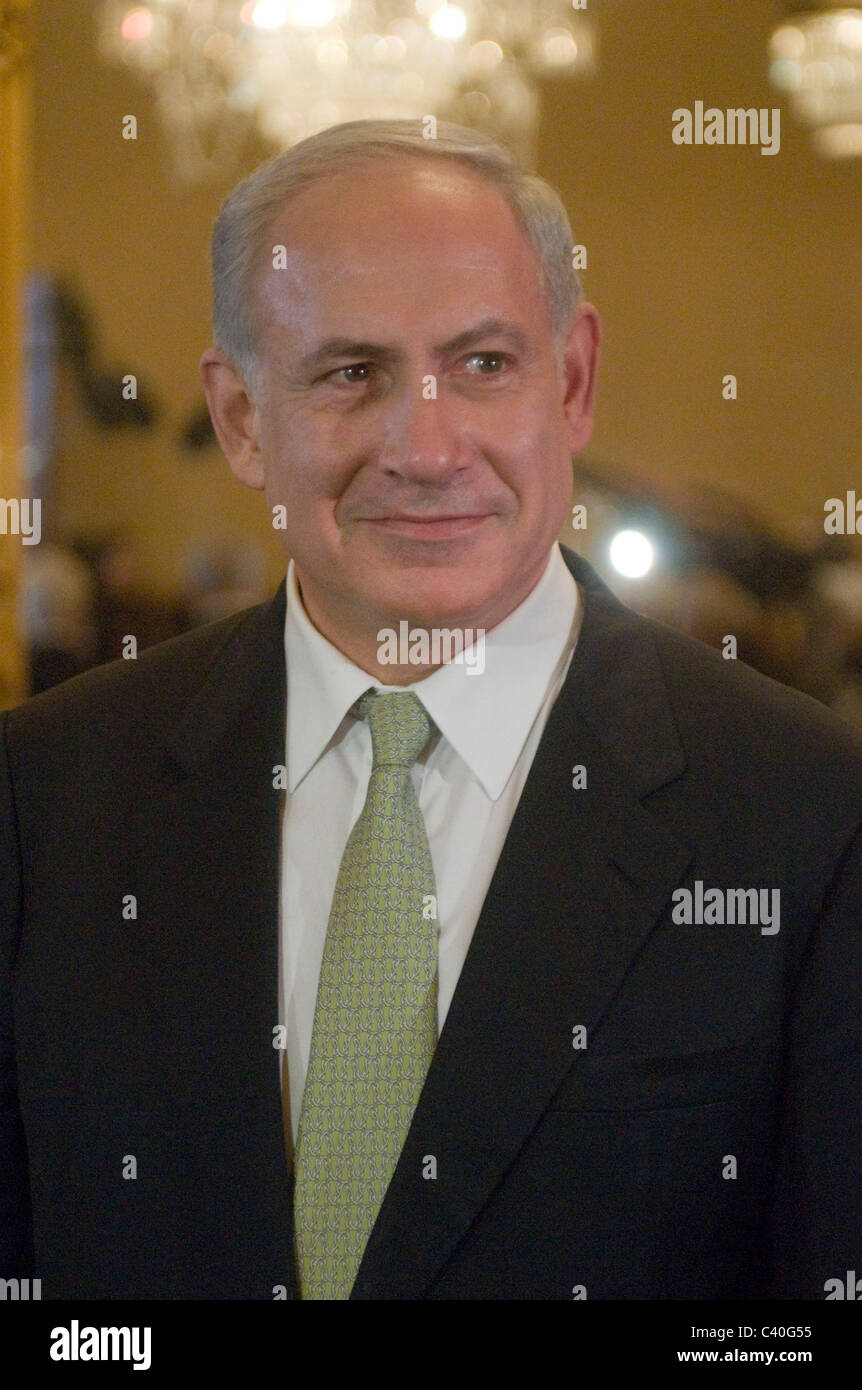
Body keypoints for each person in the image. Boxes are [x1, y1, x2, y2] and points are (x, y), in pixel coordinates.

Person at [2, 118, 861, 1302]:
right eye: (350, 373)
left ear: (572, 382)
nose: (426, 444)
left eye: (483, 365)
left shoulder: (810, 814)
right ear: (243, 414)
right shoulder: (45, 791)